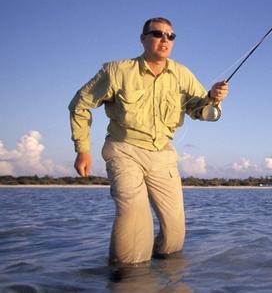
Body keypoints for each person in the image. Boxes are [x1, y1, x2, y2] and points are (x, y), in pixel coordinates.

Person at [69, 17, 228, 264]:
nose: (165, 40)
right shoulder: (116, 71)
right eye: (157, 34)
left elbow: (200, 111)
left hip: (163, 154)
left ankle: (168, 275)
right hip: (124, 150)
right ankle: (127, 279)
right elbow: (79, 104)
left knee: (175, 229)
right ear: (143, 39)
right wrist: (83, 149)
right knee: (133, 217)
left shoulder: (182, 74)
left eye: (170, 36)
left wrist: (213, 98)